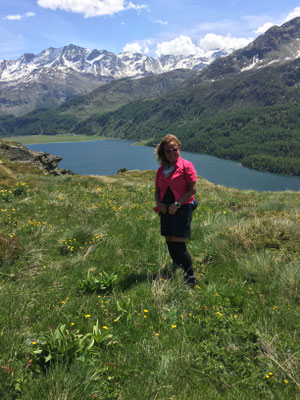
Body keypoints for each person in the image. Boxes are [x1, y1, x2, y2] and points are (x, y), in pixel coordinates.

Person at [154, 134, 197, 285]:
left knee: (179, 244)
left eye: (174, 149)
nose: (172, 153)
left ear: (179, 148)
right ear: (163, 153)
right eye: (168, 151)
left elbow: (192, 190)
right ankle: (177, 264)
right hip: (165, 209)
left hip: (182, 208)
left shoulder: (186, 166)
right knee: (169, 240)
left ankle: (190, 277)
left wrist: (177, 204)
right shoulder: (161, 170)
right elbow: (158, 190)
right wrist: (159, 204)